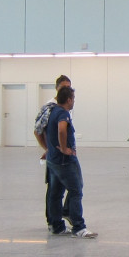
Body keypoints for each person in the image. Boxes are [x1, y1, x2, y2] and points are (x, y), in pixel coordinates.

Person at [45, 85, 96, 238]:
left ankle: (56, 226)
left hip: (52, 160)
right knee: (76, 191)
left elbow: (39, 130)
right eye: (73, 98)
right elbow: (62, 129)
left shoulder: (52, 111)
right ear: (68, 99)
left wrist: (49, 148)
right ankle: (79, 227)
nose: (74, 101)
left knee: (55, 194)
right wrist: (64, 148)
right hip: (64, 161)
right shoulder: (63, 113)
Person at [33, 74, 71, 230]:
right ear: (57, 88)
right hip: (56, 156)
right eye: (63, 87)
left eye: (68, 87)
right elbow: (38, 130)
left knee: (68, 187)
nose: (66, 90)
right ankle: (54, 221)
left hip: (65, 154)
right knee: (56, 189)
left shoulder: (66, 107)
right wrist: (48, 148)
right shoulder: (50, 107)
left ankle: (61, 214)